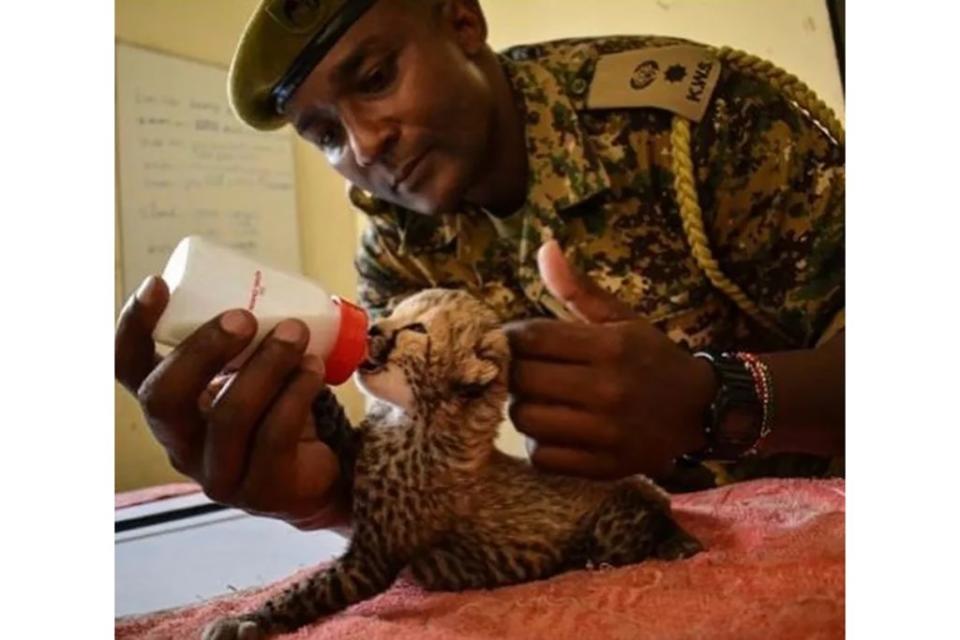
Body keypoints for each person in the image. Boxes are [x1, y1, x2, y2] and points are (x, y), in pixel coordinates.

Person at [115, 0, 844, 530]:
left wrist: (712, 399)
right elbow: (421, 468)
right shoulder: (400, 246)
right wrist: (326, 501)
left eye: (373, 78)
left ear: (463, 21)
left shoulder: (694, 124)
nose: (365, 147)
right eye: (326, 134)